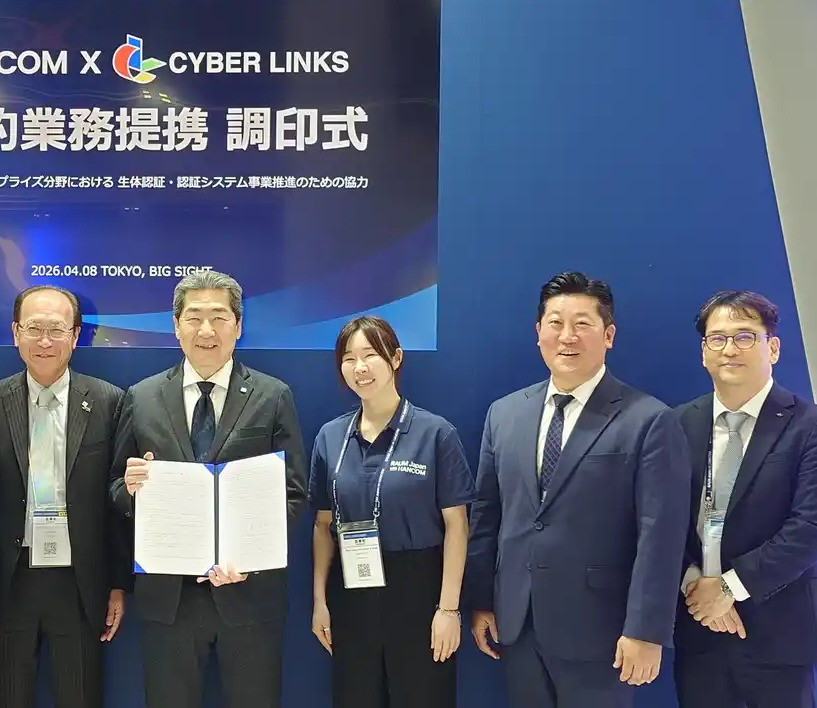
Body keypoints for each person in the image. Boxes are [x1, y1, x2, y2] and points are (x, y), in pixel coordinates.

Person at [465, 271, 691, 708]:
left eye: (582, 324)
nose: (567, 336)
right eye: (555, 323)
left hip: (603, 633)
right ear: (538, 332)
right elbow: (487, 515)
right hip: (518, 624)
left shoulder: (648, 420)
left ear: (608, 335)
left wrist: (646, 630)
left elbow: (661, 535)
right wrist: (481, 600)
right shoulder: (504, 414)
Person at [110, 269, 308, 708]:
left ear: (238, 325)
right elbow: (115, 491)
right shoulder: (141, 397)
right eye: (194, 317)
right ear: (175, 325)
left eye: (219, 317)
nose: (206, 330)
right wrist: (130, 487)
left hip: (249, 594)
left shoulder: (273, 395)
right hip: (168, 600)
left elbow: (293, 493)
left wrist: (251, 556)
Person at [673, 290, 817, 708]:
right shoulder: (677, 424)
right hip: (699, 630)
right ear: (704, 353)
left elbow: (811, 527)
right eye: (717, 339)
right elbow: (658, 518)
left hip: (781, 632)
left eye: (745, 336)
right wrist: (695, 584)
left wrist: (728, 588)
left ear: (774, 348)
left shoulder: (812, 426)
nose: (730, 349)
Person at [0, 285, 129, 708]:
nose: (45, 341)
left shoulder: (109, 401)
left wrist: (118, 582)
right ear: (15, 333)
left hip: (80, 580)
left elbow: (115, 503)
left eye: (57, 329)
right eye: (34, 328)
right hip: (11, 578)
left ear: (75, 336)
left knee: (81, 696)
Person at [309, 316, 474, 707]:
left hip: (418, 591)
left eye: (370, 355)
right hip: (352, 592)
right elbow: (322, 525)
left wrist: (448, 609)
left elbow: (457, 526)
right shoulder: (331, 437)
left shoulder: (435, 433)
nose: (360, 367)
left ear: (396, 358)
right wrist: (320, 602)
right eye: (349, 358)